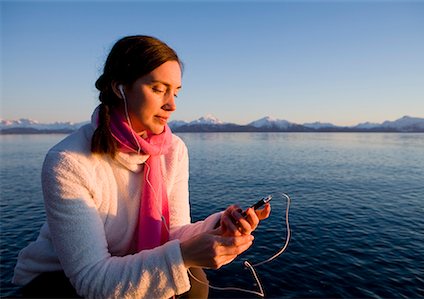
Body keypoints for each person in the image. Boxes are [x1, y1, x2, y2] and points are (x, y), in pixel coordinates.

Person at [12, 35, 270, 299]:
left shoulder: (174, 150)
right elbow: (91, 279)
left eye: (176, 92)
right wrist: (184, 254)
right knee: (190, 275)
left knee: (195, 281)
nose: (172, 105)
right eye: (159, 89)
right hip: (58, 280)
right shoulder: (69, 161)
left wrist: (219, 226)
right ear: (119, 88)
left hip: (128, 263)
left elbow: (174, 232)